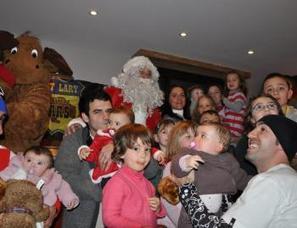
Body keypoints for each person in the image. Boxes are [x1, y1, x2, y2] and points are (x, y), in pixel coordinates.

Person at [179, 115, 297, 228]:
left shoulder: (272, 182)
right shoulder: (287, 179)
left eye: (262, 129)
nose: (250, 134)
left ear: (282, 143)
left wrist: (186, 188)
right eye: (253, 129)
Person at [55, 84, 113, 228]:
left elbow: (149, 170)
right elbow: (63, 175)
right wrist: (103, 193)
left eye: (109, 111)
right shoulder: (74, 139)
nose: (106, 117)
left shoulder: (124, 137)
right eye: (98, 112)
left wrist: (119, 146)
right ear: (85, 117)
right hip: (82, 220)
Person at [171, 123, 250, 228]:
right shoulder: (190, 153)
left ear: (219, 146)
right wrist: (186, 162)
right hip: (191, 213)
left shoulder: (228, 160)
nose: (196, 138)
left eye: (203, 136)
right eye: (196, 134)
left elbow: (241, 179)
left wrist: (257, 182)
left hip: (219, 212)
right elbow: (176, 163)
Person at [102, 123, 166, 227]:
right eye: (136, 149)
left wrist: (158, 208)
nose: (143, 155)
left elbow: (152, 214)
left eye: (147, 149)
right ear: (121, 152)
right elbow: (110, 218)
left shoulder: (148, 184)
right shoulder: (117, 183)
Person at [0, 146, 79, 209]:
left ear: (48, 167)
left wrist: (70, 199)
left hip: (40, 209)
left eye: (39, 163)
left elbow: (64, 189)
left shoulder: (53, 178)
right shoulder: (14, 168)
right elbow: (2, 179)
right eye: (29, 160)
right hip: (13, 206)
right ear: (22, 159)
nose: (32, 165)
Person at [78, 106, 135, 184]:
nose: (112, 126)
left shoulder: (135, 140)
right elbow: (94, 151)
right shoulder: (103, 137)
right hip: (108, 176)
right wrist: (85, 151)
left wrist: (115, 145)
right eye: (109, 122)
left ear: (129, 128)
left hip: (129, 178)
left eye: (117, 123)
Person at [105, 56, 164, 131]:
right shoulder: (116, 94)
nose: (145, 77)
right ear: (131, 74)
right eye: (141, 73)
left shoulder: (153, 106)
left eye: (148, 74)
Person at [157, 120, 195, 227]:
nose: (193, 140)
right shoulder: (172, 166)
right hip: (173, 223)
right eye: (188, 136)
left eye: (195, 136)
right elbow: (168, 201)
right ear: (176, 142)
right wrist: (182, 224)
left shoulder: (197, 164)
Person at [233, 95, 283, 175]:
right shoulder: (245, 144)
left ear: (279, 113)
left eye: (271, 105)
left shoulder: (291, 136)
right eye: (259, 107)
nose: (267, 109)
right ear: (252, 119)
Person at [221, 72, 247, 143]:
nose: (231, 82)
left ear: (240, 83)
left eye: (234, 80)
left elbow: (237, 108)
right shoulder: (230, 96)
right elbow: (226, 111)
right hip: (229, 129)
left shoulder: (239, 95)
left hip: (235, 129)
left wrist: (224, 100)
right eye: (228, 81)